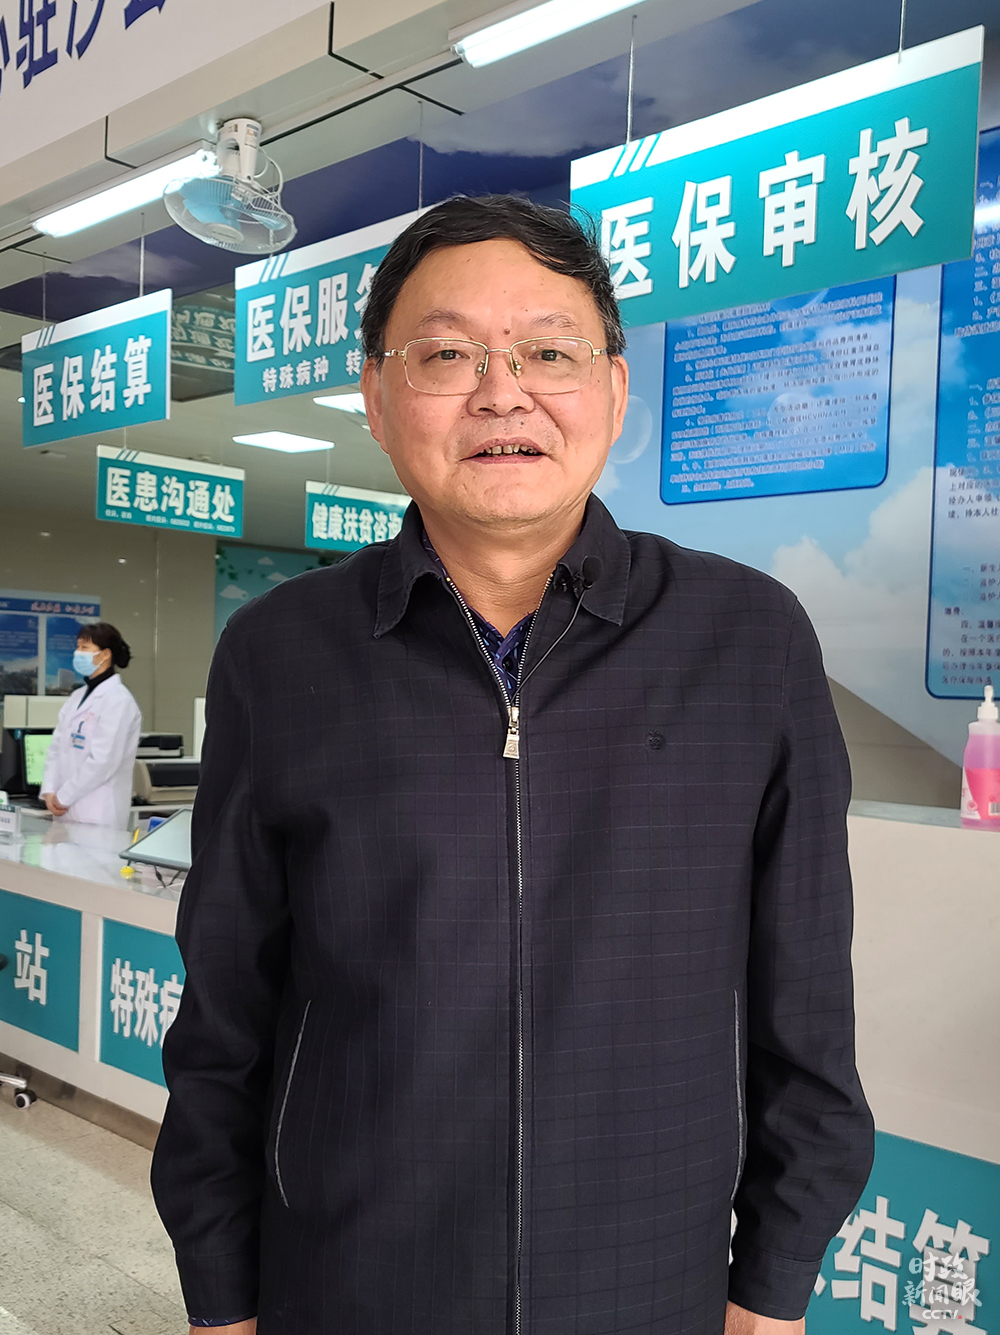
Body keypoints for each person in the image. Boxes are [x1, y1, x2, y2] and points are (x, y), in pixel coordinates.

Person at [151, 196, 874, 1335]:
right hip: (348, 1285)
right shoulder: (280, 655)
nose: (503, 393)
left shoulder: (747, 641)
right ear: (376, 397)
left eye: (549, 351)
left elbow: (808, 1013)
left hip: (649, 1288)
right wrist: (220, 1294)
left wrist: (773, 1288)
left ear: (615, 393)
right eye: (447, 355)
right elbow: (224, 1014)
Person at [41, 622, 141, 829]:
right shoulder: (77, 697)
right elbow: (56, 748)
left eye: (84, 648)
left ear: (105, 654)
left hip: (98, 810)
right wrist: (49, 790)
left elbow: (103, 761)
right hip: (63, 807)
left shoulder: (118, 700)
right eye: (78, 647)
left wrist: (64, 796)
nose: (78, 653)